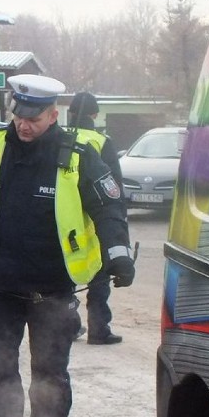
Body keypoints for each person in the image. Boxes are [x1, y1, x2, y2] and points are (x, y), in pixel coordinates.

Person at [0, 74, 134, 417]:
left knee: (50, 375)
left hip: (54, 290)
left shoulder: (78, 154)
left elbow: (109, 208)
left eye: (34, 118)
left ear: (52, 113)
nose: (24, 125)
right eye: (19, 115)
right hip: (2, 284)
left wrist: (118, 254)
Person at [67, 91, 125, 345]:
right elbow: (114, 187)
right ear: (94, 114)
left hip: (65, 219)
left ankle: (68, 326)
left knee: (66, 276)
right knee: (99, 274)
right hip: (95, 219)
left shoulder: (60, 138)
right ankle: (99, 329)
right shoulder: (101, 141)